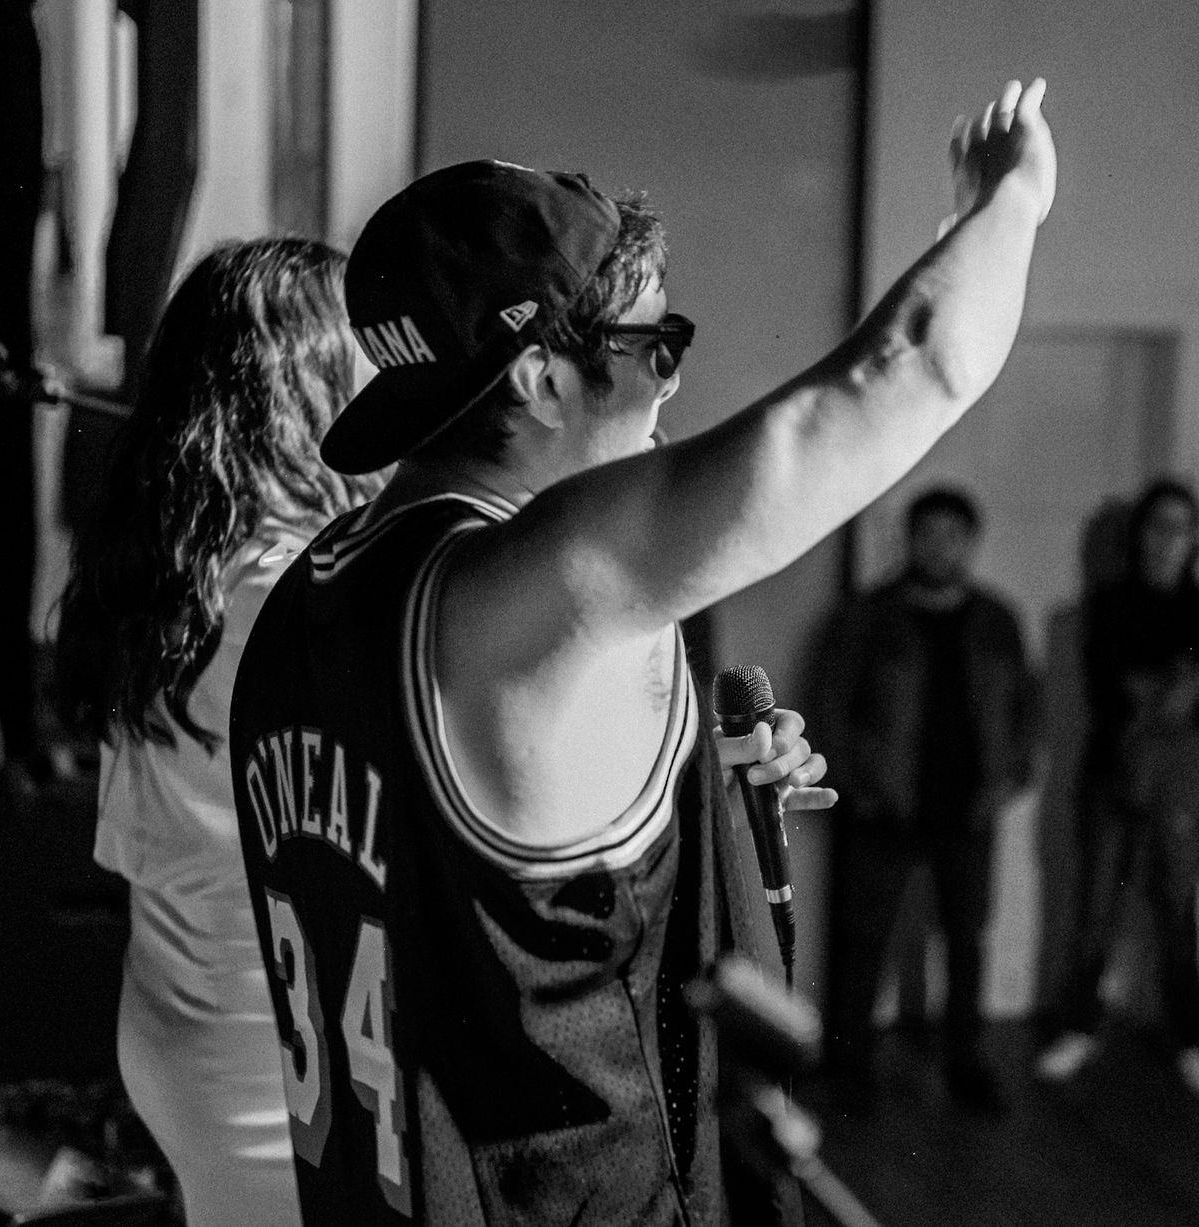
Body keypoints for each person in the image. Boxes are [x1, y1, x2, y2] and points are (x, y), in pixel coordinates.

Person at [228, 79, 1055, 1224]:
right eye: (653, 344)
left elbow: (464, 889)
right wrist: (1009, 201)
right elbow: (910, 370)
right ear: (542, 379)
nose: (674, 379)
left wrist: (683, 790)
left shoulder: (306, 600)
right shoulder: (528, 586)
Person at [53, 237, 384, 1227]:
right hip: (271, 1064)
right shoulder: (292, 595)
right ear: (308, 392)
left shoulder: (177, 568)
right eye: (367, 363)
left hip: (182, 1023)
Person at [816, 487, 1032, 1115]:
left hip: (970, 809)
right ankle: (849, 1067)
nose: (939, 548)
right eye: (927, 534)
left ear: (971, 543)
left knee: (967, 940)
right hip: (885, 809)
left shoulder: (998, 620)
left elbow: (1025, 708)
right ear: (909, 540)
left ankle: (966, 1060)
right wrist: (859, 789)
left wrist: (1008, 781)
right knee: (863, 942)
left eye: (952, 536)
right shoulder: (866, 616)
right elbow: (830, 708)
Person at [1035, 478, 1199, 1093]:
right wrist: (1178, 685)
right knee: (1096, 910)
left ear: (1194, 538)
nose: (1166, 540)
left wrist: (1165, 692)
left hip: (1179, 784)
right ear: (1138, 535)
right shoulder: (1107, 604)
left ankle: (1189, 1037)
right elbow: (1112, 691)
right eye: (1157, 525)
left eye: (1179, 528)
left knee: (1177, 913)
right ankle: (1079, 1027)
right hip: (1111, 776)